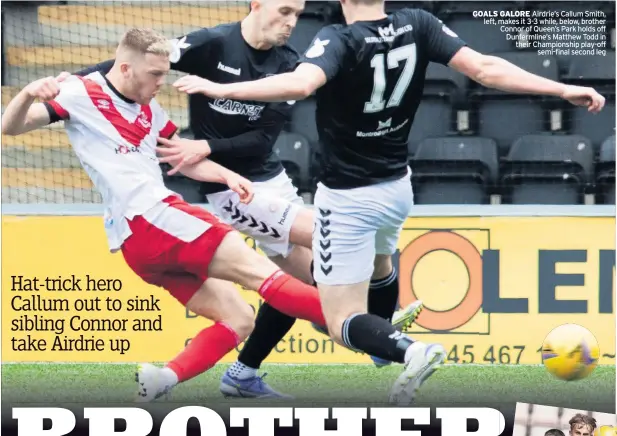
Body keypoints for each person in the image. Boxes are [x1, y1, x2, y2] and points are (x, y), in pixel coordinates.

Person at [170, 0, 606, 404]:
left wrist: (220, 89)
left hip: (347, 197)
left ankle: (402, 348)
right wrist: (562, 89)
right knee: (367, 267)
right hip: (397, 187)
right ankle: (360, 345)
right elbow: (487, 69)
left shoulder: (337, 39)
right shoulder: (419, 22)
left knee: (338, 317)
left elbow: (302, 85)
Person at [75, 0, 422, 399]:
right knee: (340, 234)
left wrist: (206, 143)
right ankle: (376, 330)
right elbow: (132, 61)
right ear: (257, 4)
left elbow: (260, 139)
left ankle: (245, 372)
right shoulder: (212, 44)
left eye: (297, 14)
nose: (291, 22)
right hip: (231, 191)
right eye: (284, 11)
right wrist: (74, 81)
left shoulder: (290, 63)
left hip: (270, 179)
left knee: (297, 281)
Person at [1, 27, 330, 403]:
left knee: (239, 319)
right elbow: (9, 127)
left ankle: (163, 378)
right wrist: (27, 93)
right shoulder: (78, 93)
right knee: (266, 274)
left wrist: (225, 174)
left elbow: (180, 159)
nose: (162, 82)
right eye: (155, 74)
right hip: (155, 216)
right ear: (125, 68)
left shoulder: (149, 108)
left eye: (165, 73)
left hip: (135, 244)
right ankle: (362, 324)